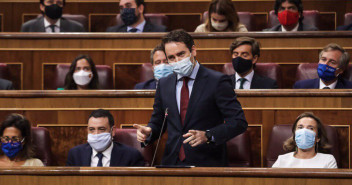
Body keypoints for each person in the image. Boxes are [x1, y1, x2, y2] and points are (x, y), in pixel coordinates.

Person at [133, 30, 248, 167]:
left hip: (207, 163)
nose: (177, 61)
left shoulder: (216, 81)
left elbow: (238, 122)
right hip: (172, 163)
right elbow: (159, 120)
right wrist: (149, 131)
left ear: (193, 51)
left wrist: (208, 135)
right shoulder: (164, 84)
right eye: (171, 58)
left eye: (181, 54)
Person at [66, 109, 145, 167]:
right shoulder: (75, 154)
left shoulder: (131, 156)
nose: (96, 134)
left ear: (113, 131)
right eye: (92, 129)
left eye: (101, 129)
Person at [272, 112, 337, 168]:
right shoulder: (281, 160)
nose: (304, 131)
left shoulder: (328, 161)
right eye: (300, 127)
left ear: (318, 138)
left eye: (311, 128)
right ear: (295, 134)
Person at [21, 0, 85, 32]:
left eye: (59, 3)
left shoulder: (77, 28)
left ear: (63, 7)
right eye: (50, 2)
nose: (55, 6)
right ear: (42, 6)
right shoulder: (28, 28)